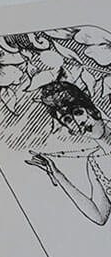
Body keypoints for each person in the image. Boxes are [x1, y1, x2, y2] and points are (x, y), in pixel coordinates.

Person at [27, 79, 111, 226]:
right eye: (68, 120)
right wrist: (58, 176)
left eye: (78, 112)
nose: (79, 123)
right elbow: (99, 216)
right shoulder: (94, 162)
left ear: (93, 110)